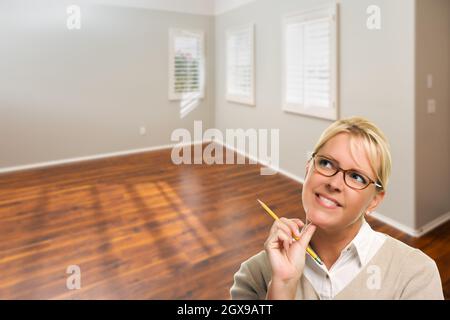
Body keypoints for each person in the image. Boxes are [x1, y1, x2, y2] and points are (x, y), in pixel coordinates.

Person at [230, 116, 444, 300]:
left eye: (356, 177)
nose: (334, 183)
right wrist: (283, 287)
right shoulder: (254, 276)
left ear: (374, 201)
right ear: (308, 170)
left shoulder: (416, 274)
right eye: (326, 164)